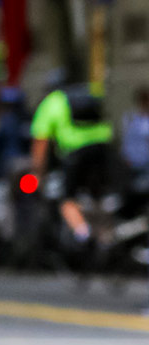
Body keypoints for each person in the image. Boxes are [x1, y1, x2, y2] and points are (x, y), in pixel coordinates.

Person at [29, 72, 113, 244]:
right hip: (103, 148)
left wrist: (37, 172)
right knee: (98, 195)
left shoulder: (51, 102)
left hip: (76, 152)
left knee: (67, 198)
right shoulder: (84, 96)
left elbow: (41, 142)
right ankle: (106, 235)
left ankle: (83, 235)